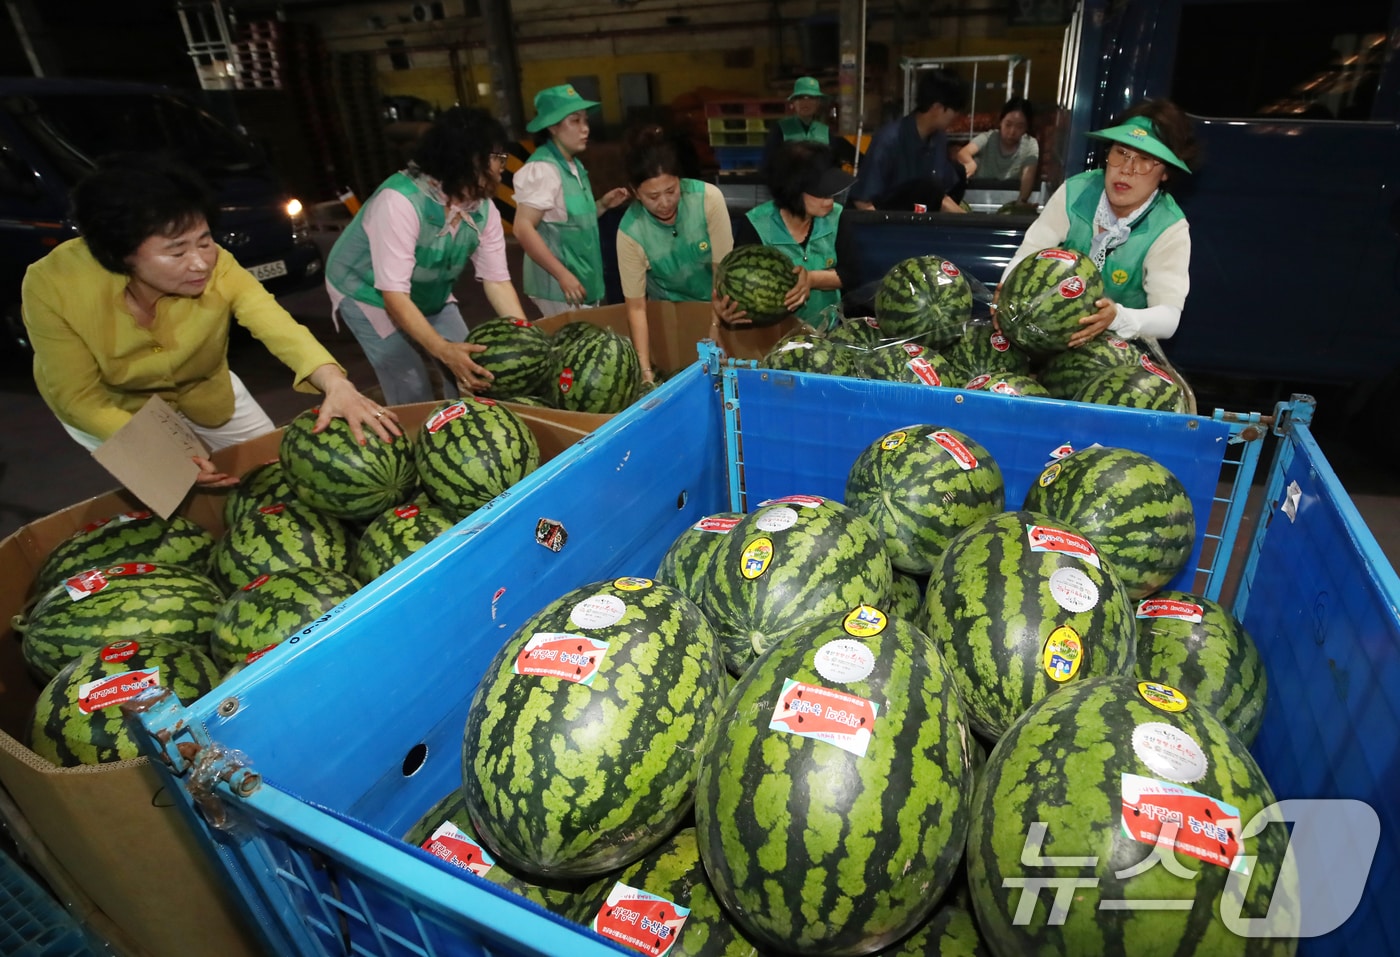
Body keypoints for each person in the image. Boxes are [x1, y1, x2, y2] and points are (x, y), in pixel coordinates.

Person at [21, 154, 396, 488]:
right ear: (121, 254)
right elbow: (80, 398)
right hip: (112, 407)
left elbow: (276, 326)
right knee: (180, 494)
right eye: (177, 251)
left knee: (275, 473)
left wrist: (335, 382)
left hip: (205, 386)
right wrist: (161, 457)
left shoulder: (220, 263)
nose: (200, 261)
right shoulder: (52, 285)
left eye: (203, 241)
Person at [325, 106, 524, 405]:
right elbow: (393, 296)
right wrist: (443, 350)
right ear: (468, 159)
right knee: (411, 382)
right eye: (496, 157)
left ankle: (459, 434)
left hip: (424, 291)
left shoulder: (483, 210)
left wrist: (527, 336)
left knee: (472, 370)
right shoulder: (400, 203)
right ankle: (412, 439)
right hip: (367, 291)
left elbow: (497, 281)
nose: (501, 167)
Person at [998, 99, 1198, 346]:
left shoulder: (1169, 227)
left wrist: (1117, 318)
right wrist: (1006, 292)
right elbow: (1027, 254)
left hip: (1118, 350)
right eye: (1121, 152)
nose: (1126, 169)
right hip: (1048, 338)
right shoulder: (1075, 192)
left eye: (1144, 159)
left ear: (1166, 172)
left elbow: (1168, 317)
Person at [617, 125, 735, 385]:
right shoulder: (630, 232)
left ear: (680, 180)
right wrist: (645, 372)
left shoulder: (708, 200)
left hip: (718, 305)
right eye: (652, 196)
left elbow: (722, 271)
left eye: (671, 191)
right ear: (635, 193)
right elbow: (636, 307)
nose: (665, 203)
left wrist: (716, 327)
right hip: (671, 313)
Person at [512, 84, 630, 317]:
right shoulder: (543, 169)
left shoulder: (573, 166)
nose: (585, 129)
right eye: (575, 121)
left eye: (585, 121)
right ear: (553, 127)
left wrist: (602, 205)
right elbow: (522, 228)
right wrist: (562, 275)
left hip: (580, 281)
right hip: (559, 288)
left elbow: (566, 221)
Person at [726, 141, 858, 331]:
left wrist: (811, 279)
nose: (829, 200)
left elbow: (851, 275)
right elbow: (739, 285)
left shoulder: (837, 217)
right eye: (821, 193)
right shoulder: (756, 225)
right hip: (771, 337)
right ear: (793, 191)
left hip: (827, 332)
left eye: (832, 192)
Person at [850, 69, 968, 214]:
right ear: (937, 108)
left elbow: (941, 198)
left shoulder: (939, 140)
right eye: (955, 111)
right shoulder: (889, 140)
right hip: (889, 227)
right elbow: (862, 201)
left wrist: (974, 224)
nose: (957, 116)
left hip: (922, 226)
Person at [956, 97, 1040, 205]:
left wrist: (1021, 201)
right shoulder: (989, 137)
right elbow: (963, 153)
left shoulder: (1030, 144)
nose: (1012, 132)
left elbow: (1029, 174)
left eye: (1019, 126)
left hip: (1010, 200)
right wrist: (970, 163)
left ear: (1026, 128)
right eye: (1008, 124)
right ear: (1001, 122)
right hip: (979, 197)